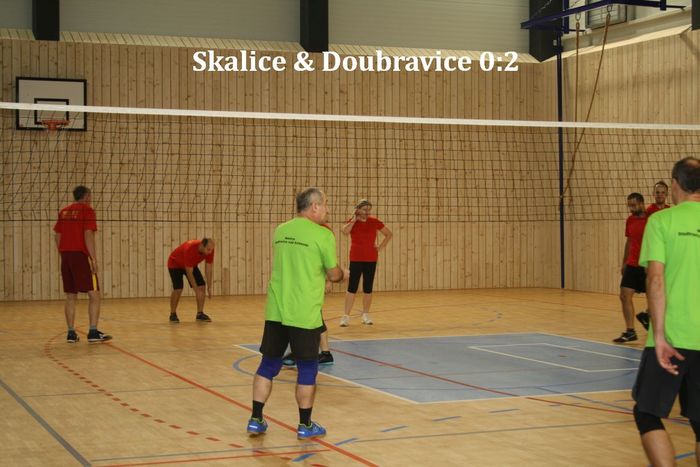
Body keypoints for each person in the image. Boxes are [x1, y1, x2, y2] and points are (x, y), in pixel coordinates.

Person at [247, 188, 347, 439]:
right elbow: (333, 273)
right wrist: (343, 274)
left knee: (268, 364)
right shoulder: (323, 234)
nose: (327, 209)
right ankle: (305, 425)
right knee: (307, 369)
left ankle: (256, 420)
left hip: (276, 310)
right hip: (304, 312)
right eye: (325, 204)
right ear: (314, 206)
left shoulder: (281, 230)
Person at [632, 157, 700, 466]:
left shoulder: (661, 221)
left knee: (647, 413)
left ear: (674, 184)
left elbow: (655, 279)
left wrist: (658, 335)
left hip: (672, 336)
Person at [53, 186, 111, 343]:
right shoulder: (87, 210)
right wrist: (93, 259)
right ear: (86, 196)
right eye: (90, 196)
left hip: (66, 255)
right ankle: (93, 332)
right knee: (94, 294)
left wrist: (64, 254)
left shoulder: (64, 211)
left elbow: (57, 236)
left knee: (70, 295)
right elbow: (88, 235)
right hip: (81, 255)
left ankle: (71, 333)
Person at [339, 199, 392, 327]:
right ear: (358, 210)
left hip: (371, 259)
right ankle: (345, 316)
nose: (367, 212)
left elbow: (389, 234)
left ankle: (366, 315)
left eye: (369, 209)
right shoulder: (353, 222)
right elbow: (344, 231)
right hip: (356, 258)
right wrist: (354, 220)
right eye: (364, 209)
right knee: (352, 288)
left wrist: (380, 247)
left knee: (368, 288)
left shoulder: (374, 221)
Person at [637, 181, 672, 330]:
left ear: (667, 194)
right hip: (654, 253)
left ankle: (649, 314)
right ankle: (651, 316)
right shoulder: (649, 211)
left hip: (667, 253)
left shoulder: (670, 211)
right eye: (658, 192)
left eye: (663, 192)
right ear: (654, 194)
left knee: (666, 287)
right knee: (654, 286)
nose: (660, 195)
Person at [613, 193, 648, 343]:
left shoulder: (652, 219)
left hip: (647, 265)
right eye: (629, 206)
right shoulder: (630, 220)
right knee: (624, 295)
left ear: (641, 203)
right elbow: (629, 242)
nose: (631, 209)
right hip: (632, 264)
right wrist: (624, 262)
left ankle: (651, 321)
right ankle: (630, 331)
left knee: (654, 298)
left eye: (634, 205)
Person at [167, 238, 215, 322]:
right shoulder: (190, 249)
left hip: (190, 264)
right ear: (202, 246)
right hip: (175, 264)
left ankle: (200, 314)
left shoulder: (210, 250)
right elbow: (189, 273)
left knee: (201, 286)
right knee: (178, 288)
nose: (210, 252)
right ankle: (173, 314)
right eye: (208, 249)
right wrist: (196, 290)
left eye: (211, 250)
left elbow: (209, 268)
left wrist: (209, 287)